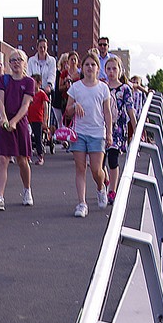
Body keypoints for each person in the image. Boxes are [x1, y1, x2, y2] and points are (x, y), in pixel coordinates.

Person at [65, 53, 113, 217]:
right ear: (82, 68)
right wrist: (74, 106)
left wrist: (109, 133)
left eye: (93, 65)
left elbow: (107, 112)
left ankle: (101, 187)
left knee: (96, 169)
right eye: (87, 65)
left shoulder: (103, 88)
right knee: (80, 168)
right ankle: (82, 203)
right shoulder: (75, 87)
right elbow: (67, 111)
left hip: (97, 132)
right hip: (79, 132)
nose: (90, 67)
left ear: (98, 69)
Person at [0, 50, 35, 211]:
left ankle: (27, 190)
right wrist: (3, 118)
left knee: (22, 160)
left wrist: (14, 121)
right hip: (4, 122)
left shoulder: (29, 82)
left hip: (20, 123)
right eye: (13, 60)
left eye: (19, 60)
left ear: (25, 63)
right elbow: (0, 101)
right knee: (3, 159)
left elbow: (25, 105)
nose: (16, 63)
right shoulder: (4, 80)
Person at [104, 57, 138, 206]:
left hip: (117, 128)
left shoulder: (125, 89)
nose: (111, 72)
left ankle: (112, 190)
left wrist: (135, 128)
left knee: (113, 157)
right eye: (108, 69)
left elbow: (130, 109)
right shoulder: (102, 87)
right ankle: (106, 179)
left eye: (114, 68)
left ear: (119, 70)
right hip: (102, 127)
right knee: (98, 162)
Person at [27, 73, 50, 166]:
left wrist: (45, 120)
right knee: (27, 137)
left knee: (38, 138)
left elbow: (45, 107)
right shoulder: (29, 93)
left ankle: (40, 156)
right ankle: (28, 155)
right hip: (28, 119)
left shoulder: (42, 94)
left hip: (38, 119)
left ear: (39, 83)